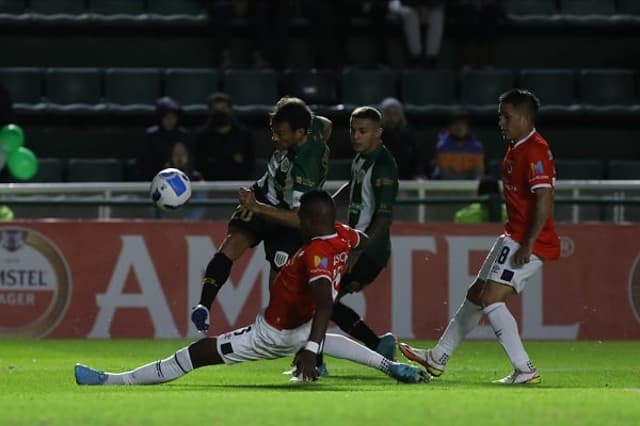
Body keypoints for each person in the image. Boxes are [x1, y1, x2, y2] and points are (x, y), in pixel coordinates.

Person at [74, 190, 429, 386]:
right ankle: (395, 369)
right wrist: (346, 254)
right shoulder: (341, 235)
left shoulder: (318, 252)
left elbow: (325, 304)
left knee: (196, 355)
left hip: (273, 333)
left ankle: (113, 381)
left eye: (299, 215)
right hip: (301, 326)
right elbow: (364, 239)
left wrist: (309, 349)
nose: (296, 219)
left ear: (308, 221)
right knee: (336, 344)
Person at [400, 89, 560, 384]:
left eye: (506, 116)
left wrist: (528, 243)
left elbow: (545, 198)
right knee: (476, 294)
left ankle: (524, 368)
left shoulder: (535, 150)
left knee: (490, 298)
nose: (500, 122)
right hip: (512, 235)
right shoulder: (517, 146)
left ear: (524, 117)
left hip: (529, 240)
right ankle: (439, 356)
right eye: (500, 116)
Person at [191, 96, 332, 333]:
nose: (275, 138)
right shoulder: (313, 128)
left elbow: (298, 218)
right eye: (273, 131)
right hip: (265, 194)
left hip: (289, 217)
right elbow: (326, 124)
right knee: (232, 243)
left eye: (281, 133)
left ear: (300, 133)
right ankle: (203, 305)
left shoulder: (305, 166)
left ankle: (311, 349)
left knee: (279, 291)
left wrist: (256, 207)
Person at [315, 106, 399, 374]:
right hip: (354, 246)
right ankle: (378, 345)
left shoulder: (384, 166)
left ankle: (314, 362)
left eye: (363, 131)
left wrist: (356, 253)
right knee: (327, 301)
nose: (356, 136)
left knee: (321, 300)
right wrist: (325, 204)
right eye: (353, 130)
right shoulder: (361, 158)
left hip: (369, 251)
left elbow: (383, 217)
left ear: (378, 133)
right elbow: (352, 187)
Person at [192, 92, 255, 181]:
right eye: (216, 109)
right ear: (210, 111)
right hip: (210, 185)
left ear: (230, 110)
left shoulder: (244, 134)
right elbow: (199, 166)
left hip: (237, 185)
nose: (220, 112)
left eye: (223, 108)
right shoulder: (201, 136)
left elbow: (249, 164)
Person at [137, 97, 190, 181]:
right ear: (160, 118)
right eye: (167, 118)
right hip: (155, 178)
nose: (170, 121)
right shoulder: (151, 135)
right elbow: (145, 163)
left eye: (173, 117)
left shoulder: (183, 135)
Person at [388, 0, 446, 67]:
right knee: (409, 15)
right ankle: (415, 57)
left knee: (437, 15)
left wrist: (426, 6)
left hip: (433, 5)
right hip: (408, 5)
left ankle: (431, 58)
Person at [432, 109, 485, 180]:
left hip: (470, 187)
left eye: (463, 124)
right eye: (455, 124)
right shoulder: (442, 146)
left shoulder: (477, 147)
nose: (459, 127)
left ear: (468, 127)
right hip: (445, 187)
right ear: (449, 127)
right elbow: (445, 175)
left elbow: (478, 175)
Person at [379, 97, 422, 179]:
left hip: (406, 180)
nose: (391, 117)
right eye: (388, 113)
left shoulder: (409, 135)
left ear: (400, 116)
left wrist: (419, 174)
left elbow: (417, 159)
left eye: (395, 114)